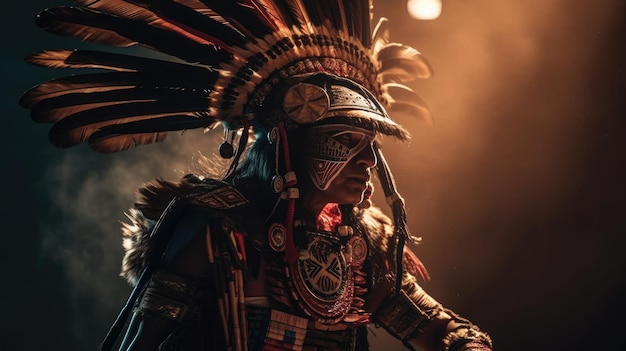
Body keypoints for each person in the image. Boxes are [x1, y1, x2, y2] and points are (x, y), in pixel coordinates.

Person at [20, 1, 492, 351]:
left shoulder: (362, 244)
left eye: (371, 147)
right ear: (289, 144)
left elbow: (435, 329)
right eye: (345, 142)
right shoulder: (216, 232)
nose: (367, 161)